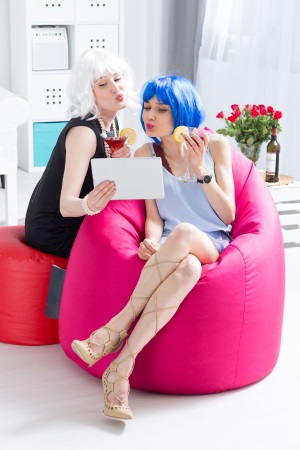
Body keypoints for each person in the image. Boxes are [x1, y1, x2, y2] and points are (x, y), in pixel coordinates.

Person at [71, 75, 236, 419]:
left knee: (187, 233)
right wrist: (151, 239)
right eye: (147, 107)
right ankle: (119, 371)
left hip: (211, 240)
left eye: (162, 109)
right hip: (176, 246)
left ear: (183, 113)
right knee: (187, 268)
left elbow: (228, 214)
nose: (150, 115)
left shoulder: (215, 144)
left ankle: (112, 329)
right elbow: (155, 215)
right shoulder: (148, 153)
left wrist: (200, 169)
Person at [25, 49, 137, 257]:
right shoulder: (84, 133)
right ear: (89, 93)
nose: (115, 88)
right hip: (55, 230)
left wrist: (119, 162)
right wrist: (91, 204)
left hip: (81, 219)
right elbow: (67, 206)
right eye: (103, 84)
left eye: (117, 78)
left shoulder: (113, 123)